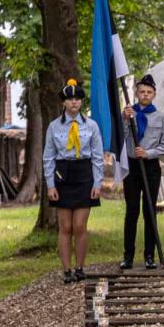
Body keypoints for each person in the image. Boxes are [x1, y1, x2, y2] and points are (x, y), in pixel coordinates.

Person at [43, 79, 104, 284]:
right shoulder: (54, 126)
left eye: (77, 98)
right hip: (63, 175)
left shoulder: (91, 126)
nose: (74, 102)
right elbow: (48, 157)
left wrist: (97, 183)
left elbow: (97, 156)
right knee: (65, 226)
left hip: (84, 174)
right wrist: (51, 185)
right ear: (64, 102)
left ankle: (80, 267)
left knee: (79, 225)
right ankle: (67, 269)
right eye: (70, 99)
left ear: (81, 102)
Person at [120, 72, 164, 269]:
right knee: (131, 211)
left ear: (154, 94)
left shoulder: (160, 117)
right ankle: (128, 256)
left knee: (149, 211)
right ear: (136, 93)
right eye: (142, 91)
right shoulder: (128, 114)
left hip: (150, 167)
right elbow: (120, 138)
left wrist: (148, 153)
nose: (145, 95)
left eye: (149, 92)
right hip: (132, 167)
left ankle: (149, 256)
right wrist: (125, 120)